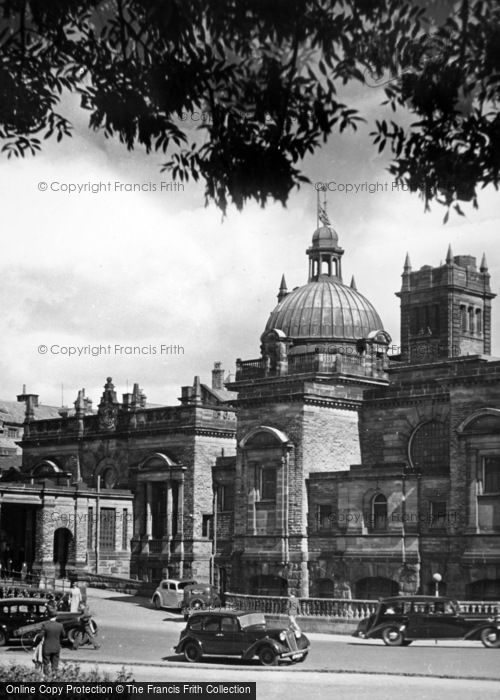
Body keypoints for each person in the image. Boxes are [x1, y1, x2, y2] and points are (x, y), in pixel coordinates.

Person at [41, 606, 63, 676]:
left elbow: (40, 636)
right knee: (55, 665)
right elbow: (63, 635)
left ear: (48, 616)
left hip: (47, 647)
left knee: (46, 664)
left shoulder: (45, 625)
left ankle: (46, 678)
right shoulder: (60, 625)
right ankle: (54, 677)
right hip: (56, 647)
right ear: (56, 617)